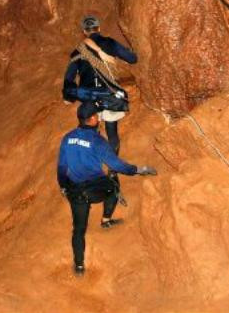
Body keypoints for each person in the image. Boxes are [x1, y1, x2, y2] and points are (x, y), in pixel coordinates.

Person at [57, 102, 157, 275]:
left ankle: (79, 266)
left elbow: (61, 167)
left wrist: (64, 187)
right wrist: (138, 170)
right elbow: (117, 165)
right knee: (113, 185)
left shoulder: (67, 138)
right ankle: (106, 220)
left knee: (79, 230)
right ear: (93, 119)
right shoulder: (98, 141)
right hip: (95, 189)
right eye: (98, 115)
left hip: (76, 192)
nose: (100, 118)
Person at [62, 15, 137, 153]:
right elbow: (132, 59)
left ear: (84, 32)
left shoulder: (77, 51)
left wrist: (68, 97)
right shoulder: (110, 43)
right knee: (112, 133)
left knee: (89, 129)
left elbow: (69, 78)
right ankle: (112, 172)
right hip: (109, 95)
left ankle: (90, 161)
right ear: (99, 28)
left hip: (89, 96)